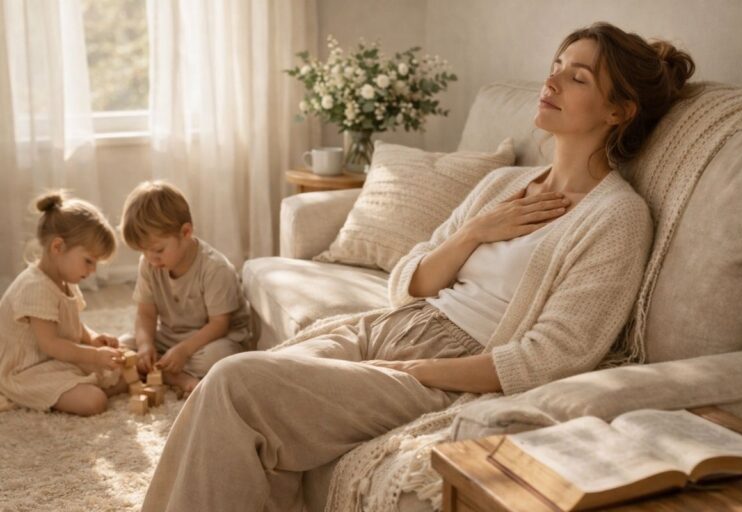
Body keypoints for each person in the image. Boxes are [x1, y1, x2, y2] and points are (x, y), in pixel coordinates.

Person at [143, 22, 695, 511]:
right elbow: (408, 278)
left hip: (455, 367)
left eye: (577, 77)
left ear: (618, 110)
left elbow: (548, 358)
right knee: (224, 382)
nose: (549, 82)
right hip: (388, 326)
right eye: (555, 66)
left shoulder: (617, 217)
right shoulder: (502, 186)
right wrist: (476, 231)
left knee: (240, 380)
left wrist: (422, 371)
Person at [0, 192, 126, 416]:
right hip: (26, 370)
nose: (93, 271)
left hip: (55, 360)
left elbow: (72, 324)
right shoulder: (35, 287)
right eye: (88, 261)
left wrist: (93, 339)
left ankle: (83, 381)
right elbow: (52, 344)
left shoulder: (64, 279)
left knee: (123, 367)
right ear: (57, 247)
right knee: (94, 401)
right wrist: (95, 356)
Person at [119, 181, 250, 394]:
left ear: (186, 232)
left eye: (158, 250)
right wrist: (145, 346)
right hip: (171, 336)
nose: (151, 258)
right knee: (123, 347)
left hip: (211, 339)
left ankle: (168, 373)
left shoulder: (215, 268)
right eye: (144, 252)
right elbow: (146, 314)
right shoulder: (150, 264)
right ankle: (173, 374)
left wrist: (183, 351)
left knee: (221, 359)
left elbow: (219, 325)